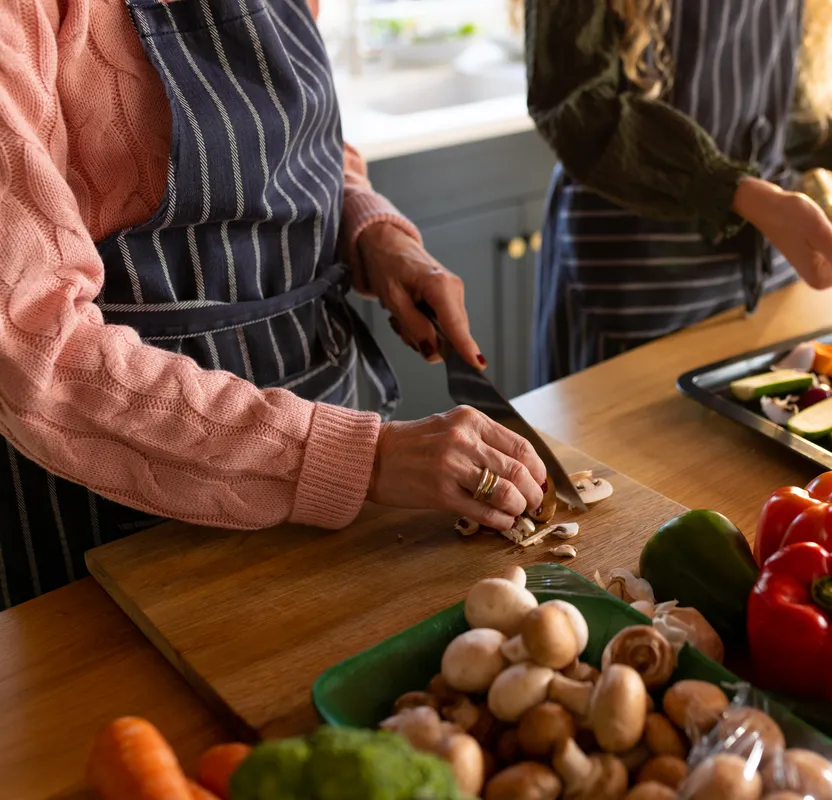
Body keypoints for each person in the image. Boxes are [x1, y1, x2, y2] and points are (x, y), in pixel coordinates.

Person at [0, 0, 546, 609]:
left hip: (332, 415)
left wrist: (373, 233)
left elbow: (298, 140)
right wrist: (358, 460)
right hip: (126, 500)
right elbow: (35, 348)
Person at [519, 0, 832, 385]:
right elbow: (576, 104)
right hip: (640, 280)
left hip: (771, 276)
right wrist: (739, 194)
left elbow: (787, 97)